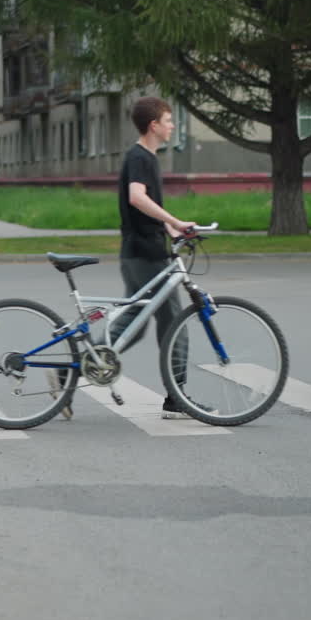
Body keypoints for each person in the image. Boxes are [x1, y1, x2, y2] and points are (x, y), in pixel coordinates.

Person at [107, 97, 211, 419]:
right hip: (146, 254)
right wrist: (175, 222)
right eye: (168, 120)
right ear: (153, 125)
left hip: (140, 251)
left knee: (134, 325)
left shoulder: (144, 157)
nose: (172, 126)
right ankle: (176, 398)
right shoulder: (141, 157)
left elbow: (146, 204)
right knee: (174, 323)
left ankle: (75, 367)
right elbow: (136, 198)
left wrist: (171, 227)